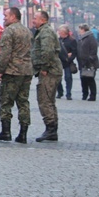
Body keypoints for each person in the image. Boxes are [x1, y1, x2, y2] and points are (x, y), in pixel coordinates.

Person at [0, 7, 33, 143]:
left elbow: (6, 54)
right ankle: (23, 133)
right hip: (26, 70)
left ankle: (6, 132)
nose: (4, 18)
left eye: (6, 16)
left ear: (14, 16)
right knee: (23, 102)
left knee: (6, 102)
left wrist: (0, 70)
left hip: (12, 71)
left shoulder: (9, 31)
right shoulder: (26, 30)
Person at [32, 10, 63, 142]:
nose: (33, 20)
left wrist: (44, 67)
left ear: (43, 20)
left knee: (45, 100)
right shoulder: (44, 31)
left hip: (49, 71)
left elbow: (48, 51)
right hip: (51, 70)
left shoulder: (45, 32)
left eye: (35, 18)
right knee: (49, 101)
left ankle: (50, 129)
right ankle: (52, 129)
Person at [76, 23, 99, 101]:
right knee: (83, 79)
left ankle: (92, 95)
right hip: (82, 63)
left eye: (80, 29)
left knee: (90, 79)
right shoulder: (81, 38)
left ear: (83, 29)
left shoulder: (90, 38)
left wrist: (89, 59)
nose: (79, 31)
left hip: (90, 63)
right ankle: (84, 94)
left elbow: (94, 50)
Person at [56, 25, 78, 100]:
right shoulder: (58, 40)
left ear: (64, 32)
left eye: (60, 32)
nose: (59, 33)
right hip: (58, 61)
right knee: (57, 78)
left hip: (67, 62)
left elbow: (75, 52)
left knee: (68, 78)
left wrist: (70, 58)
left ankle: (68, 93)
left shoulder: (72, 40)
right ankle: (60, 92)